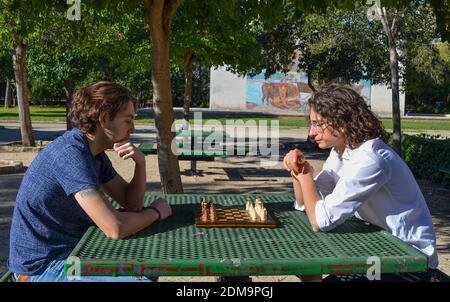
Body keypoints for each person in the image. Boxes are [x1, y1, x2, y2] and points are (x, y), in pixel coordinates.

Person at [7, 81, 172, 282]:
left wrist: (140, 163)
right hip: (43, 266)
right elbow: (115, 228)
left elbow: (131, 204)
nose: (133, 128)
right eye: (128, 120)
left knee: (148, 265)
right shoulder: (71, 155)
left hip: (74, 249)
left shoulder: (94, 153)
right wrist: (155, 213)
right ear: (104, 118)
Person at [283, 83, 438, 282]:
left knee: (314, 274)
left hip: (409, 262)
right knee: (310, 271)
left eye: (318, 124)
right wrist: (299, 170)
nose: (311, 133)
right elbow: (306, 203)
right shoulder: (342, 151)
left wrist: (305, 176)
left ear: (342, 121)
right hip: (380, 250)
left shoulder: (371, 159)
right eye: (311, 124)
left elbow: (320, 220)